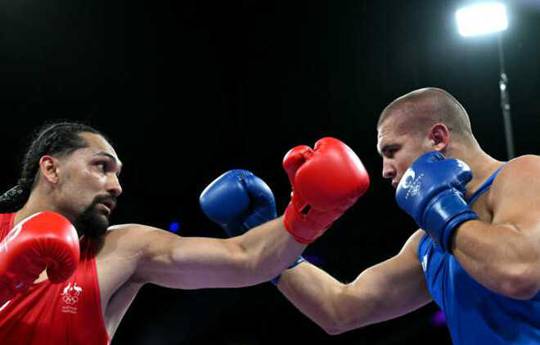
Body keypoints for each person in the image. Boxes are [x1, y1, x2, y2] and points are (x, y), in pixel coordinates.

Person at [206, 87, 540, 344]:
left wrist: (442, 208)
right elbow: (341, 309)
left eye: (391, 151)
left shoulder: (523, 173)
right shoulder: (428, 242)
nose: (384, 171)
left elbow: (520, 271)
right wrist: (270, 245)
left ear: (437, 138)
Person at [0, 122, 370, 344]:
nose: (116, 186)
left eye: (118, 174)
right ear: (50, 168)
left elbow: (245, 260)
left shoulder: (120, 248)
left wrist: (308, 213)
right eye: (101, 167)